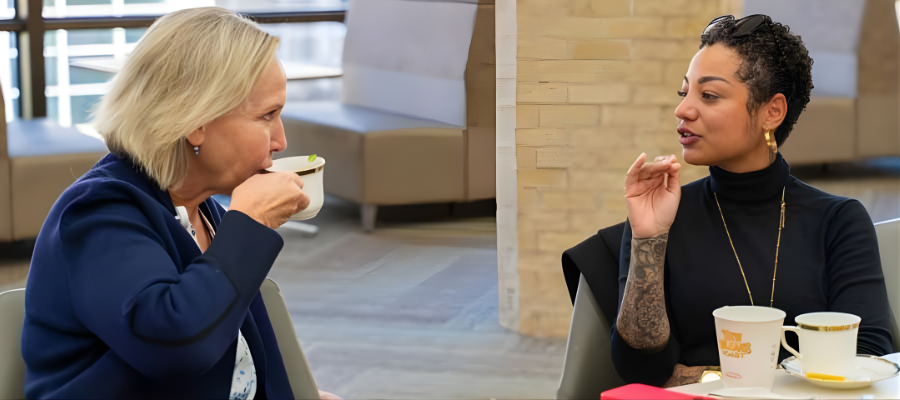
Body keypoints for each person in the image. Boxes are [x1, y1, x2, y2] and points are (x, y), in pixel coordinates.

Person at [22, 7, 339, 399]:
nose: (281, 140)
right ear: (195, 120)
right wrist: (251, 221)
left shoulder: (203, 210)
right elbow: (178, 348)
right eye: (267, 116)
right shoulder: (98, 213)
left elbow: (240, 357)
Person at [613, 14, 894, 388]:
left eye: (708, 95)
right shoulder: (662, 215)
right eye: (685, 93)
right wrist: (648, 237)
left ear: (771, 112)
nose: (683, 110)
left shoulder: (837, 220)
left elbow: (867, 354)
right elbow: (641, 372)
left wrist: (701, 375)